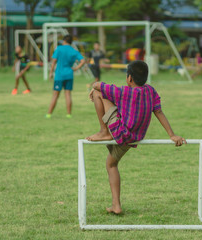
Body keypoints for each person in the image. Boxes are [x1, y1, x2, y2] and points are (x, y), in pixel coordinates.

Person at [86, 60, 186, 214]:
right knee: (111, 164)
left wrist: (93, 89)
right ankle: (116, 206)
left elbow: (97, 85)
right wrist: (171, 135)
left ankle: (103, 131)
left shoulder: (124, 92)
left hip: (120, 132)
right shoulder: (150, 91)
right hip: (134, 137)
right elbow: (158, 111)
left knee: (99, 93)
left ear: (129, 78)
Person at [46, 35, 85, 119]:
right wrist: (76, 68)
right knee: (68, 94)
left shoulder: (59, 48)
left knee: (55, 95)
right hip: (69, 75)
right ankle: (69, 114)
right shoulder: (73, 51)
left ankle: (49, 114)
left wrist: (51, 72)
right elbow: (83, 61)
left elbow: (54, 62)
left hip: (59, 75)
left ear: (64, 41)